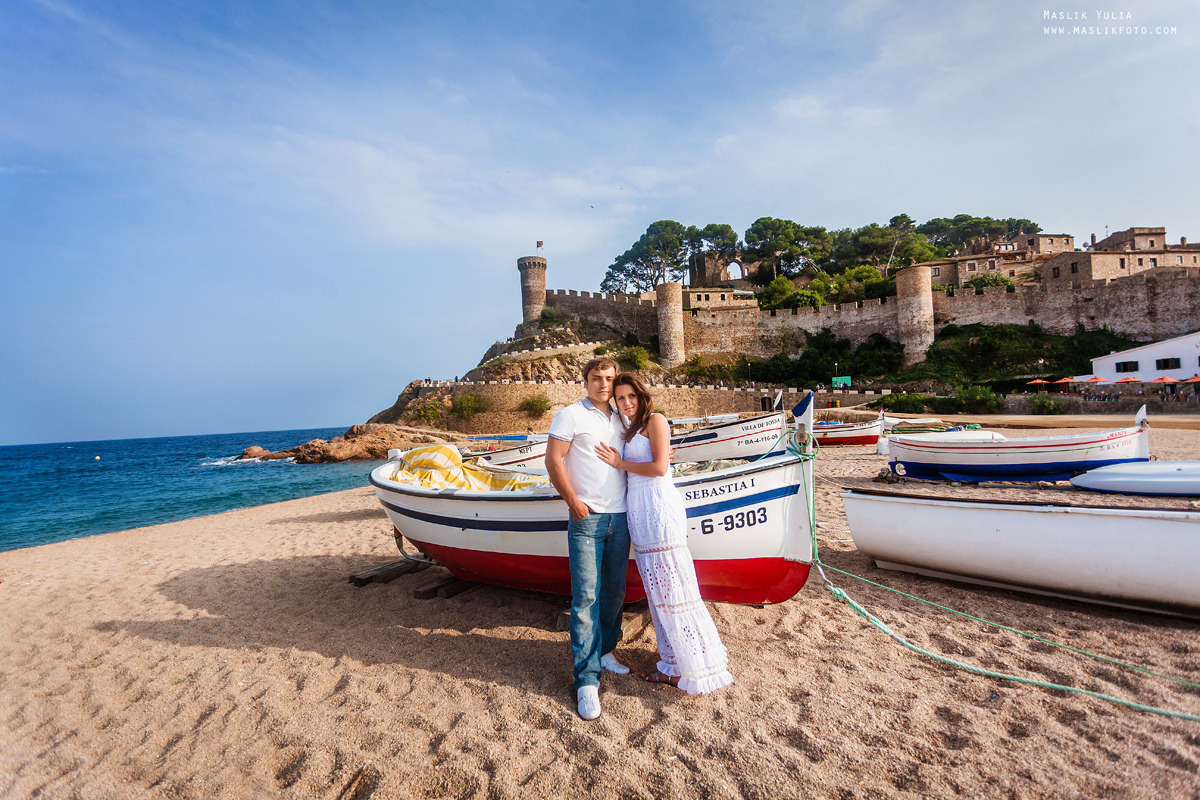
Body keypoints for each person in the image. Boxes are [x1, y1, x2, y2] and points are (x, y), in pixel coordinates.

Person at [595, 373, 734, 695]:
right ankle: (673, 662)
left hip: (658, 506)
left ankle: (692, 665)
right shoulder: (627, 427)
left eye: (631, 396)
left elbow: (659, 468)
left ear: (642, 396)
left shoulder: (655, 420)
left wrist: (620, 463)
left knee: (673, 586)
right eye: (620, 398)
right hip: (638, 510)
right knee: (657, 592)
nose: (626, 402)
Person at [545, 357, 631, 720]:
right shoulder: (570, 415)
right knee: (585, 597)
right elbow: (553, 461)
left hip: (621, 517)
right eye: (597, 378)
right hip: (587, 517)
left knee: (614, 592)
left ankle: (606, 651)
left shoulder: (623, 417)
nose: (604, 384)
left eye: (609, 378)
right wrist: (573, 502)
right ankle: (586, 680)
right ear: (585, 382)